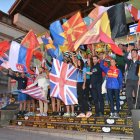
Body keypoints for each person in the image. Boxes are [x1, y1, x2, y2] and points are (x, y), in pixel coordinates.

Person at [124, 49, 140, 117]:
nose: (133, 54)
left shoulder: (139, 63)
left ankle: (137, 110)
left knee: (137, 97)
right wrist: (127, 51)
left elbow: (138, 73)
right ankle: (130, 110)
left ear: (137, 54)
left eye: (134, 52)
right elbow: (125, 58)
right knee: (128, 96)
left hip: (137, 81)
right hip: (129, 81)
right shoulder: (129, 62)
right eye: (132, 52)